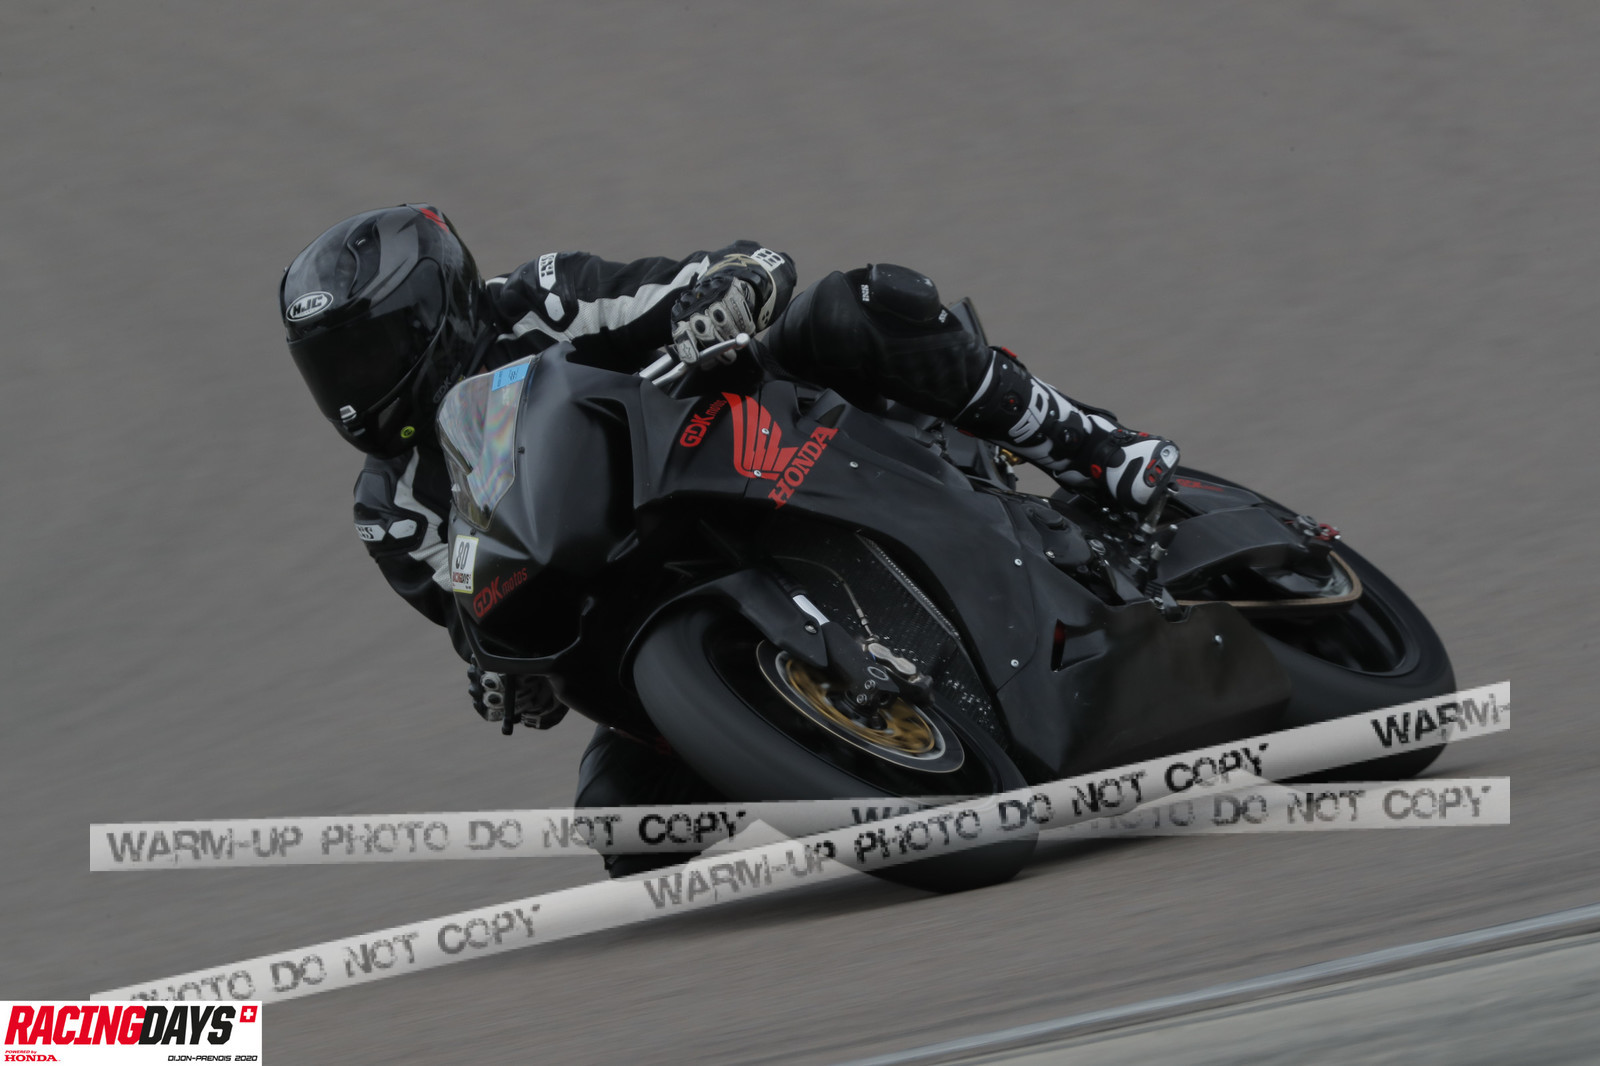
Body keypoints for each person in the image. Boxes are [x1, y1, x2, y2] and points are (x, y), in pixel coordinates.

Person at [280, 203, 1179, 875]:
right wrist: (504, 674)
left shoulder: (542, 300)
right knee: (624, 828)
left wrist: (727, 294)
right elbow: (473, 616)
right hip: (628, 601)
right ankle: (818, 749)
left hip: (736, 447)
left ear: (433, 308)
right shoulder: (392, 508)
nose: (353, 388)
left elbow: (744, 263)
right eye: (330, 368)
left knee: (853, 306)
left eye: (366, 353)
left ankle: (1090, 445)